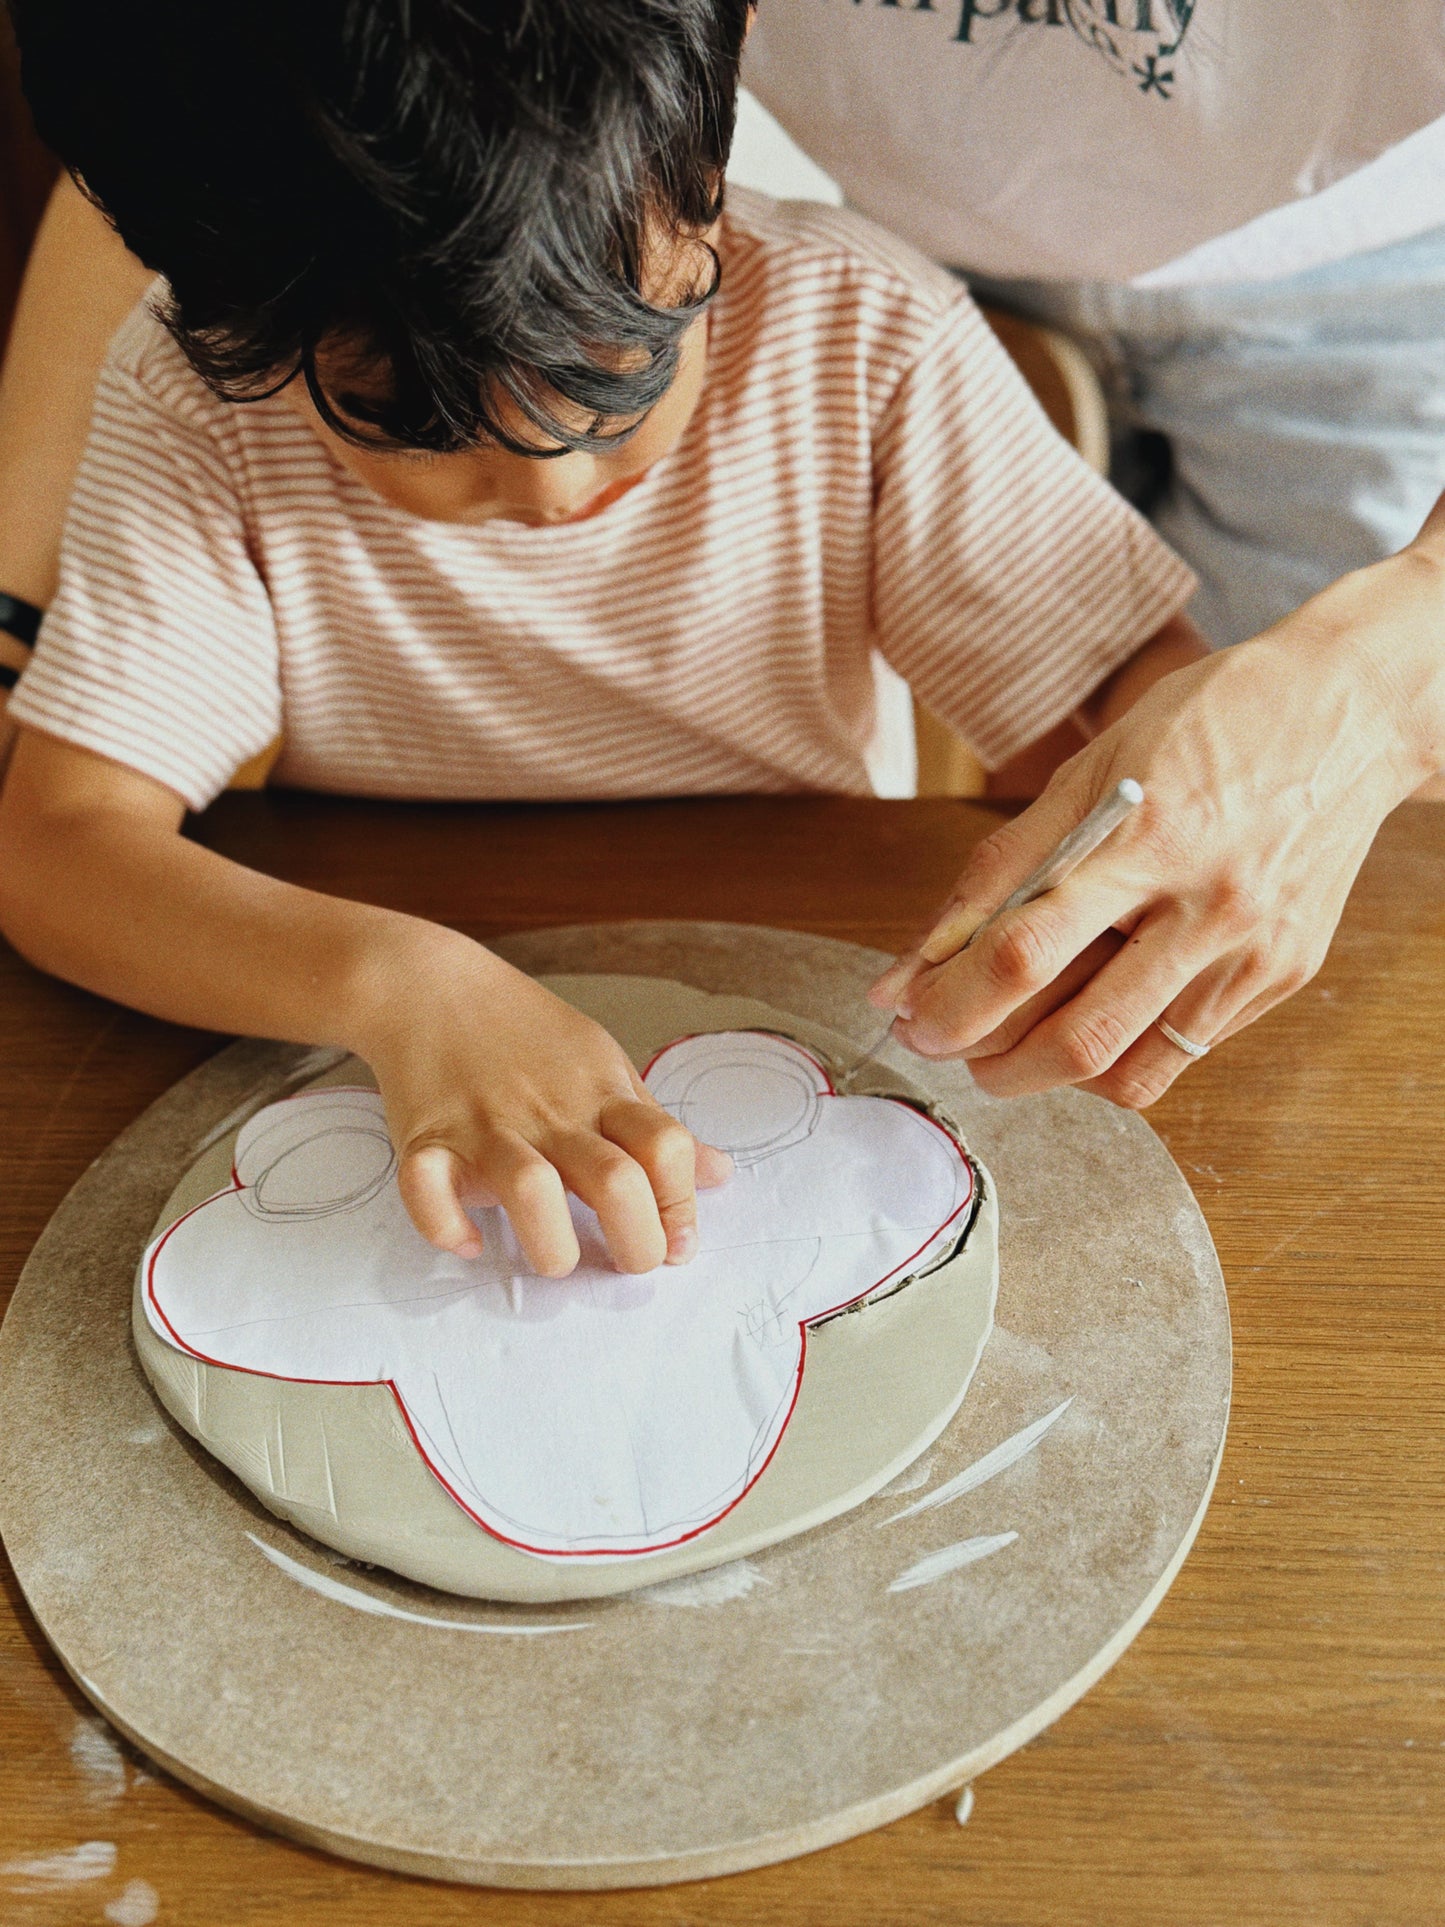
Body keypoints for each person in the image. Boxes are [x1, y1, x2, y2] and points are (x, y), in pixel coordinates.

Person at [0, 0, 1203, 1276]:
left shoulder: (862, 340)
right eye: (415, 426)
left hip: (791, 1023)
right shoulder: (203, 405)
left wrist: (1109, 874)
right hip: (373, 1054)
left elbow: (1126, 729)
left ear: (704, 174)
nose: (553, 486)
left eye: (626, 368)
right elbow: (53, 846)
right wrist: (399, 984)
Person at [743, 0, 1445, 1091]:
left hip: (1379, 285)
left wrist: (1380, 690)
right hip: (919, 248)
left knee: (1309, 921)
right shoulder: (861, 324)